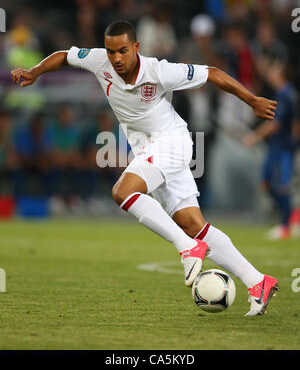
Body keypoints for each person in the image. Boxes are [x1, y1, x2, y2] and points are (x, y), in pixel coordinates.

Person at [11, 20, 278, 316]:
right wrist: (35, 71)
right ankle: (258, 281)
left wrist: (252, 100)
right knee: (194, 225)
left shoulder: (158, 71)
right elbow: (64, 55)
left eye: (123, 51)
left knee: (123, 192)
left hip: (173, 143)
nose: (116, 58)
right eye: (112, 52)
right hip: (150, 149)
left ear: (136, 47)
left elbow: (212, 73)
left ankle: (186, 248)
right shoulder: (100, 61)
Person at [243, 61, 298, 240]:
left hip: (283, 148)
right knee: (266, 184)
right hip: (276, 146)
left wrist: (255, 136)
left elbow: (276, 124)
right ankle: (290, 217)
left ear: (281, 73)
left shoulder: (287, 94)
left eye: (275, 69)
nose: (271, 72)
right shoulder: (282, 94)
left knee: (282, 186)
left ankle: (286, 225)